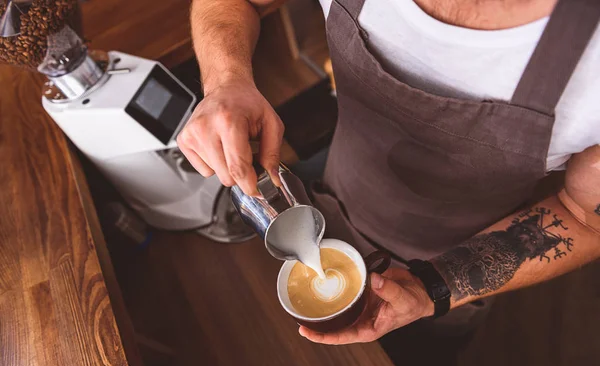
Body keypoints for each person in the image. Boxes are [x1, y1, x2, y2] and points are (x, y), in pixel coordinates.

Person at [178, 0, 600, 346]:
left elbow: (584, 216)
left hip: (451, 280)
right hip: (329, 194)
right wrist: (226, 81)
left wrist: (429, 289)